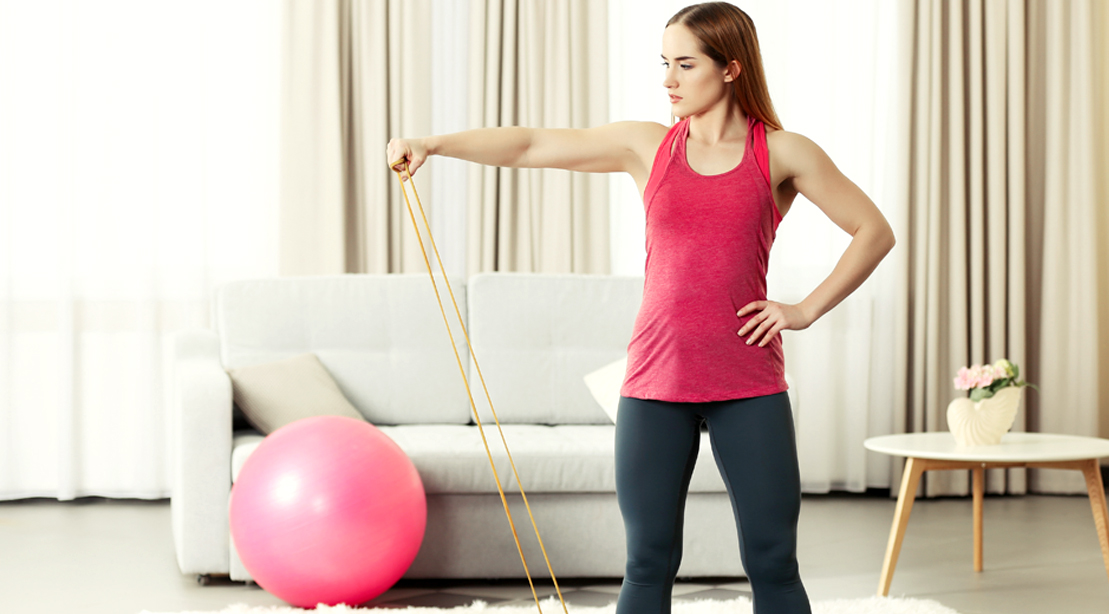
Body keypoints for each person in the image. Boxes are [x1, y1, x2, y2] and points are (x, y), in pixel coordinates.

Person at [386, 3, 895, 612]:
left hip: (749, 384)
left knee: (773, 563)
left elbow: (873, 230)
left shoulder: (782, 153)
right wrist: (432, 144)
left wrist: (805, 309)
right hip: (655, 385)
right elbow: (529, 145)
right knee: (647, 565)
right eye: (664, 63)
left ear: (731, 69)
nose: (668, 80)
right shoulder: (648, 147)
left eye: (685, 64)